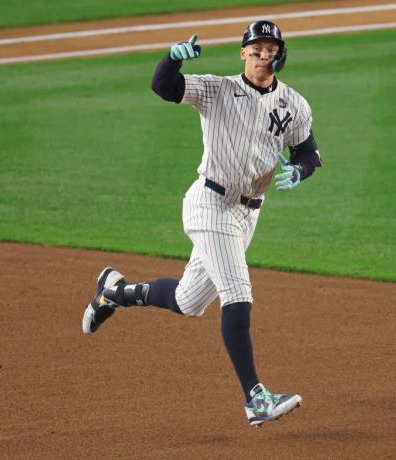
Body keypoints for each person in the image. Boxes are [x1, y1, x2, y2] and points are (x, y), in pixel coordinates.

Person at [82, 20, 322, 427]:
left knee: (188, 302)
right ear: (243, 52)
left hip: (247, 214)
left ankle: (114, 292)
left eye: (271, 48)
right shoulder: (217, 89)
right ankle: (255, 399)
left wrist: (299, 171)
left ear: (280, 54)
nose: (264, 54)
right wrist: (171, 59)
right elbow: (165, 87)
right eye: (256, 47)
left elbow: (309, 154)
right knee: (237, 291)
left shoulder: (294, 105)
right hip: (209, 203)